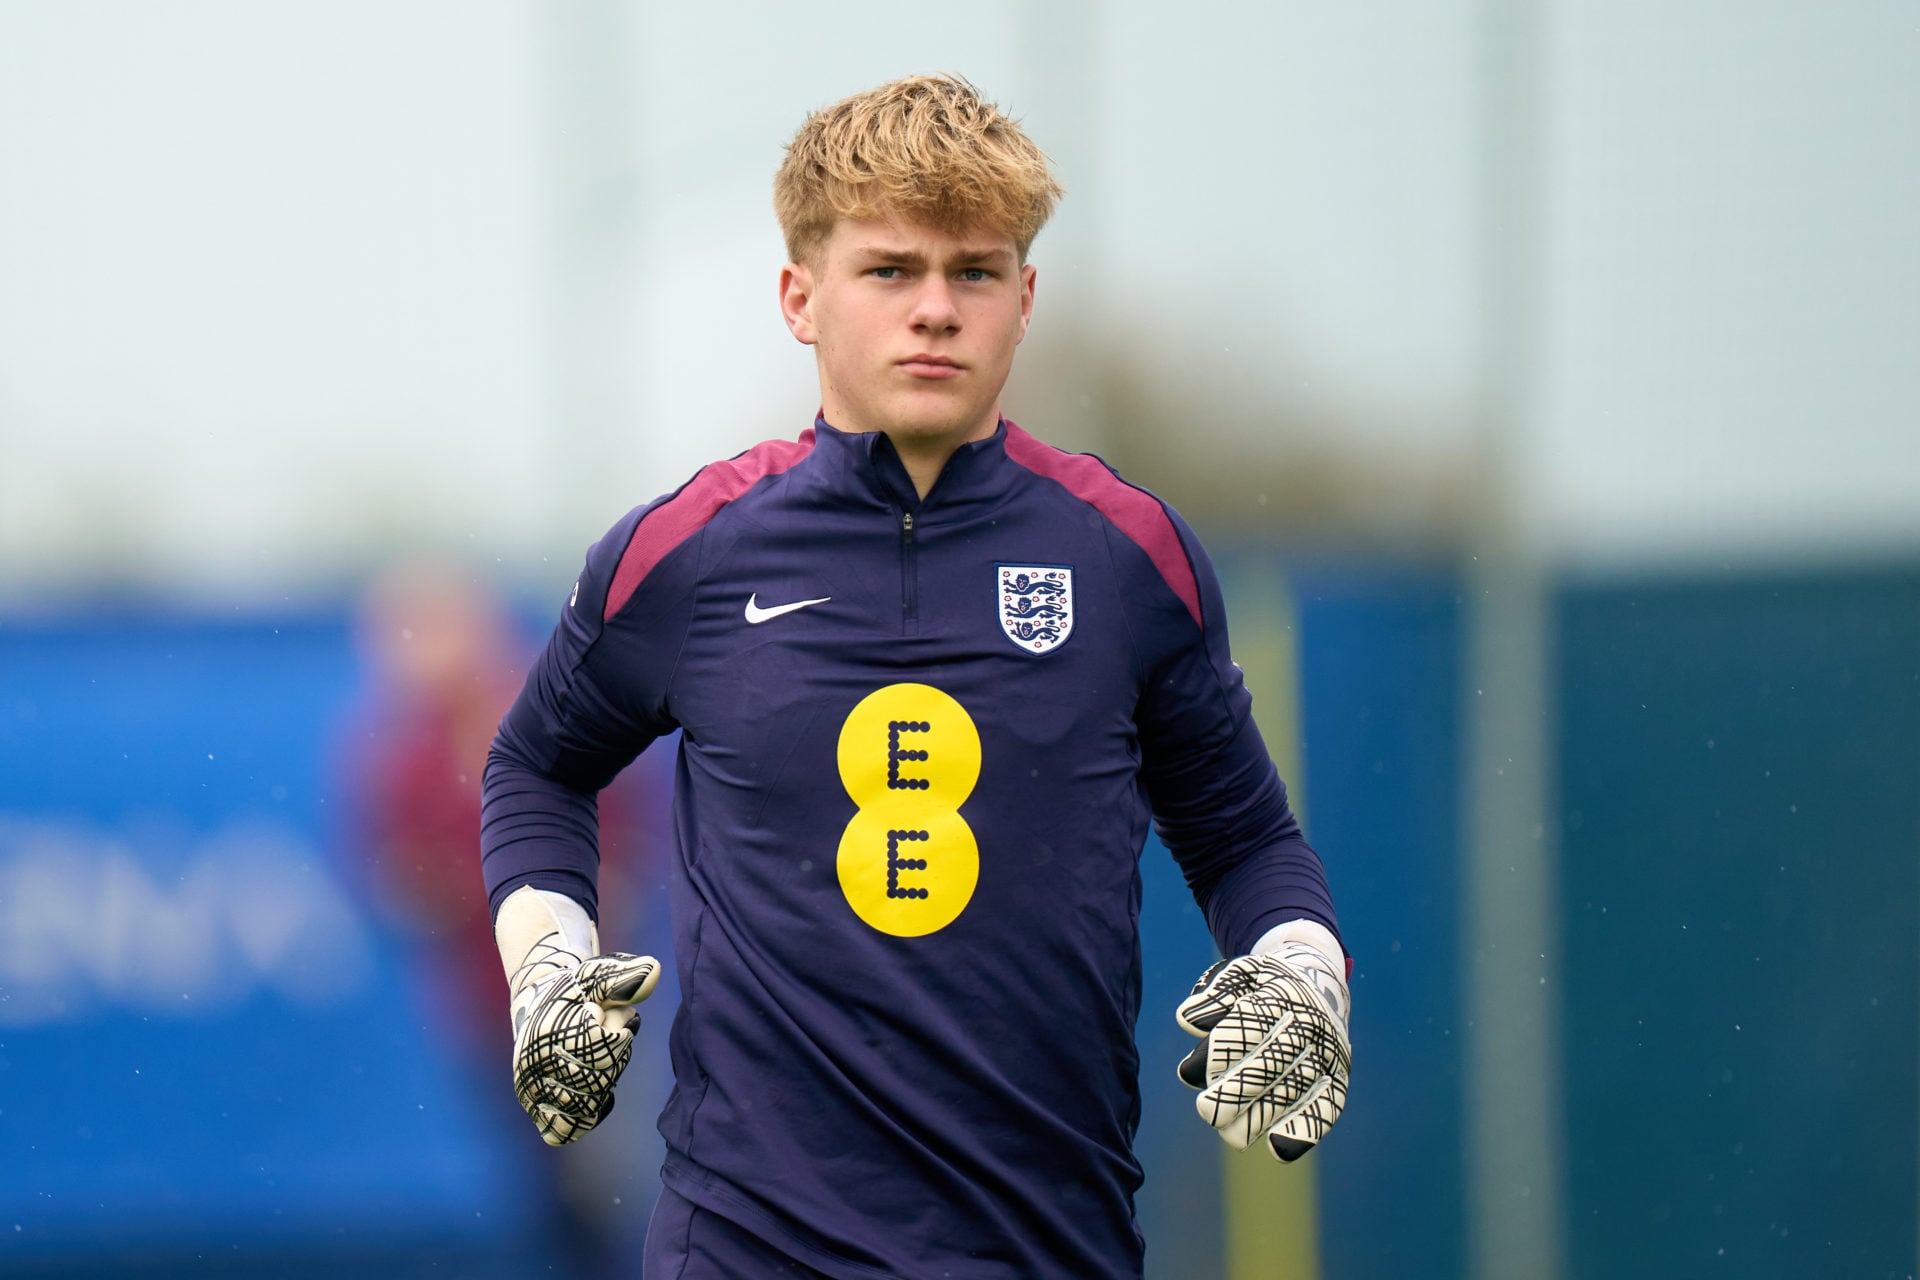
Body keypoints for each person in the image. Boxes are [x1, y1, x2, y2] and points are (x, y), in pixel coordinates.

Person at [480, 74, 1351, 1279]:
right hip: (745, 1247)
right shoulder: (687, 554)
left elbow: (1247, 839)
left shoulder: (1129, 557)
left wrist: (1304, 970)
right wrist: (547, 962)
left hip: (1045, 1243)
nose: (935, 310)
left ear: (1025, 299)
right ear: (800, 296)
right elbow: (535, 766)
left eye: (974, 272)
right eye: (890, 269)